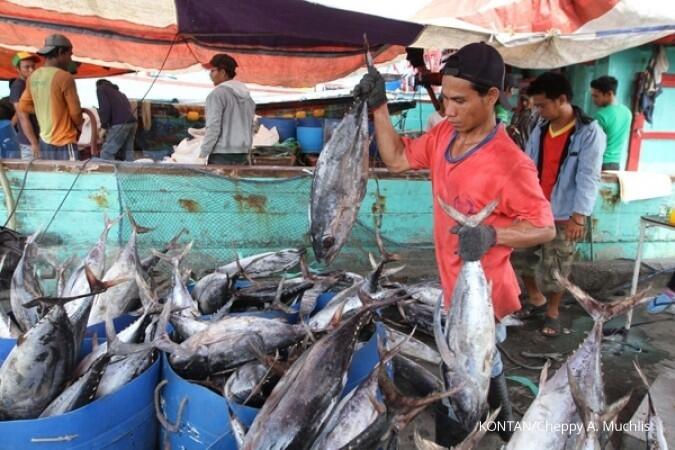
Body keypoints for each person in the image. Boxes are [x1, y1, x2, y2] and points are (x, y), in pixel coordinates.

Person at [354, 42, 556, 444]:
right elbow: (395, 158)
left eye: (460, 101)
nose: (448, 110)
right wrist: (378, 107)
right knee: (485, 364)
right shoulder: (445, 135)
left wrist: (492, 234)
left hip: (485, 296)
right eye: (445, 98)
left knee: (461, 378)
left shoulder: (510, 163)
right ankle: (506, 431)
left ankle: (454, 438)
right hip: (453, 285)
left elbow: (544, 227)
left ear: (491, 96)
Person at [513, 72, 605, 337]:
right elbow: (527, 166)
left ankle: (552, 312)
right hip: (533, 208)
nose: (538, 111)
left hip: (565, 213)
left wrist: (579, 216)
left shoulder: (588, 132)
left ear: (562, 99)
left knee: (557, 267)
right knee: (520, 257)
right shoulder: (541, 129)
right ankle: (535, 299)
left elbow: (589, 176)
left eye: (542, 105)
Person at [17, 34, 83, 161]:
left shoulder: (33, 77)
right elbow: (75, 113)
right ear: (60, 52)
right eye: (69, 54)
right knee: (69, 178)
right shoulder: (64, 77)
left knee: (51, 177)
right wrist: (79, 124)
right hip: (64, 140)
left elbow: (23, 106)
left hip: (45, 141)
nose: (70, 60)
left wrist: (47, 111)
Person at [199, 54, 255, 165]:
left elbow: (213, 126)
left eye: (212, 71)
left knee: (218, 183)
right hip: (242, 154)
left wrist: (203, 154)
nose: (210, 75)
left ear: (223, 72)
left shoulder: (217, 95)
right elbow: (251, 126)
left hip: (221, 155)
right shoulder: (248, 98)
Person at [590, 75, 632, 171]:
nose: (593, 99)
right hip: (616, 164)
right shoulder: (627, 112)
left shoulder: (601, 115)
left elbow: (593, 145)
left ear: (609, 94)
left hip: (599, 164)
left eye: (596, 96)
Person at [8, 52, 40, 160]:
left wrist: (10, 128)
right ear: (18, 69)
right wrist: (34, 143)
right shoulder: (18, 87)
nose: (31, 70)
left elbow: (17, 114)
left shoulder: (30, 84)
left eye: (33, 66)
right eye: (27, 67)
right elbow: (22, 116)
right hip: (29, 143)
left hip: (36, 139)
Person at [96, 79, 137, 161]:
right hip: (132, 122)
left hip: (120, 123)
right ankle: (130, 172)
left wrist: (103, 127)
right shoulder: (121, 94)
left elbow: (105, 108)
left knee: (107, 153)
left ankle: (109, 173)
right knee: (128, 152)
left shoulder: (101, 89)